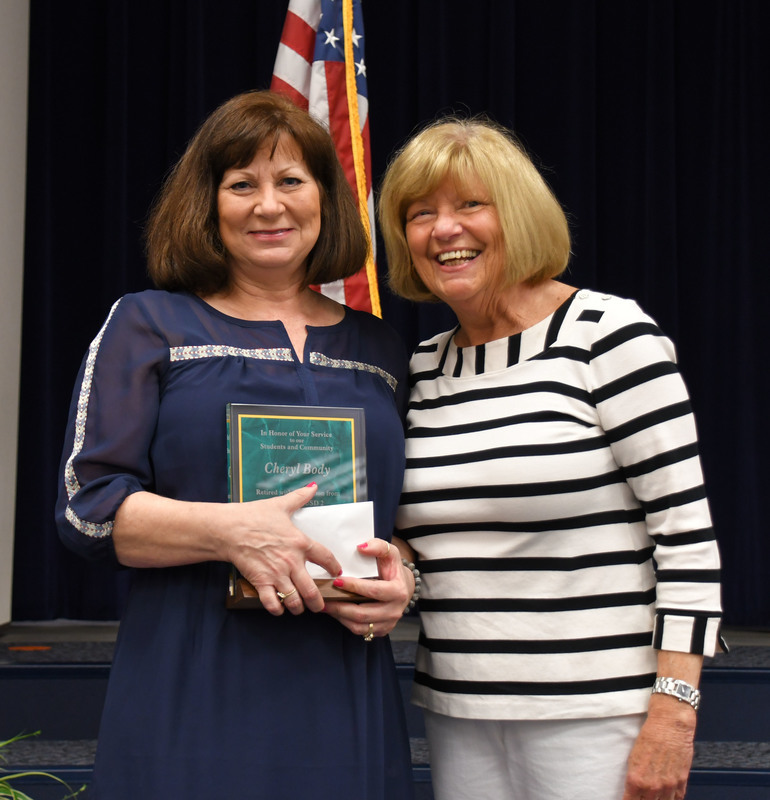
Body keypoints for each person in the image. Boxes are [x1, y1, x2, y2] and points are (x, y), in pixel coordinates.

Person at [55, 90, 418, 800]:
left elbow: (398, 523)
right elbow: (87, 511)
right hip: (191, 675)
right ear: (209, 203)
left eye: (291, 182)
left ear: (325, 198)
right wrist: (231, 531)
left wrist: (400, 577)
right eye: (241, 185)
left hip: (340, 676)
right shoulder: (147, 324)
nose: (268, 205)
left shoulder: (378, 346)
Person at [379, 117, 724, 800]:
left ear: (519, 213)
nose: (444, 229)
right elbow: (426, 536)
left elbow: (686, 540)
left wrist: (674, 712)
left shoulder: (607, 334)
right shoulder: (421, 367)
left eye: (470, 204)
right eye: (421, 214)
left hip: (599, 712)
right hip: (458, 710)